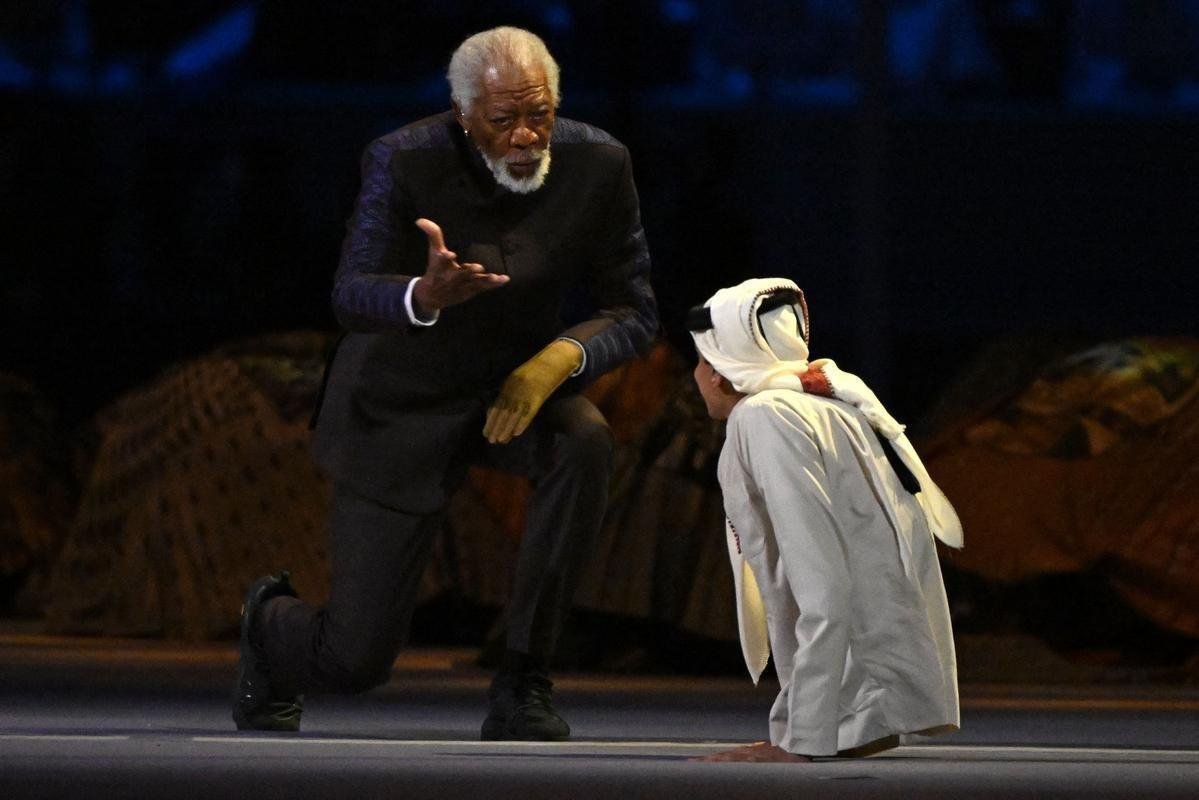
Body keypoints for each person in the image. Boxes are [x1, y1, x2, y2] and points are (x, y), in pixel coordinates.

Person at [232, 26, 657, 742]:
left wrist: (556, 360)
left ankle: (523, 681)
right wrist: (422, 296)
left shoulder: (600, 162)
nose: (525, 136)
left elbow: (633, 309)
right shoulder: (402, 158)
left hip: (512, 391)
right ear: (463, 114)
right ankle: (269, 622)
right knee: (354, 660)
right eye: (503, 119)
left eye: (540, 114)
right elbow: (351, 293)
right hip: (400, 400)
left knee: (582, 440)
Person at [687, 278, 961, 762]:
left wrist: (806, 740)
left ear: (718, 372)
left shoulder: (766, 416)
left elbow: (821, 581)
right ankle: (844, 726)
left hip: (860, 675)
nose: (696, 373)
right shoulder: (827, 405)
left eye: (701, 360)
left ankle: (823, 728)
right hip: (872, 679)